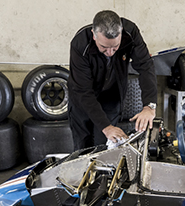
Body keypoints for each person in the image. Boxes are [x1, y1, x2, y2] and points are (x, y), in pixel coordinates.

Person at [67, 10, 158, 150]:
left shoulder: (130, 33)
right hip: (82, 98)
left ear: (121, 33)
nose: (110, 53)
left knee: (105, 145)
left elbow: (145, 66)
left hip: (111, 94)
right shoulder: (80, 44)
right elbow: (83, 90)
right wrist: (106, 126)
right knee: (83, 146)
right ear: (94, 35)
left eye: (115, 47)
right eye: (104, 47)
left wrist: (149, 106)